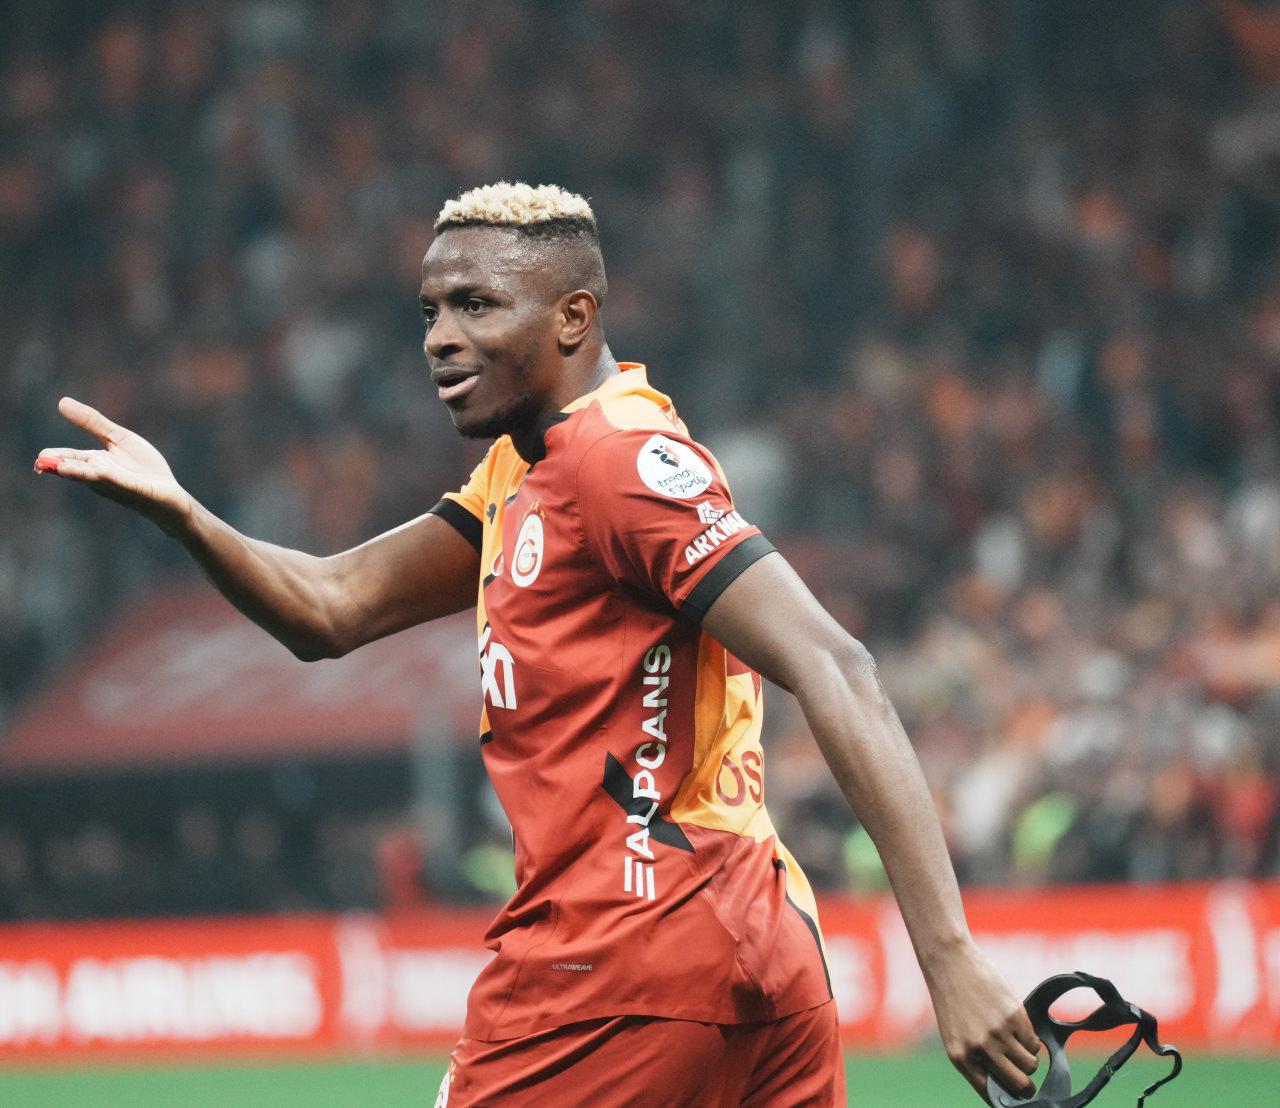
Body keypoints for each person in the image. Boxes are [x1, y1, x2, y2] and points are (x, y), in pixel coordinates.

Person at [36, 182, 1040, 1105]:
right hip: (753, 942)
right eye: (430, 310)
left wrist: (948, 956)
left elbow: (837, 666)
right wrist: (185, 514)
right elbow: (333, 606)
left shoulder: (618, 463)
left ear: (573, 317)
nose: (441, 337)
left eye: (476, 305)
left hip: (614, 954)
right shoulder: (523, 471)